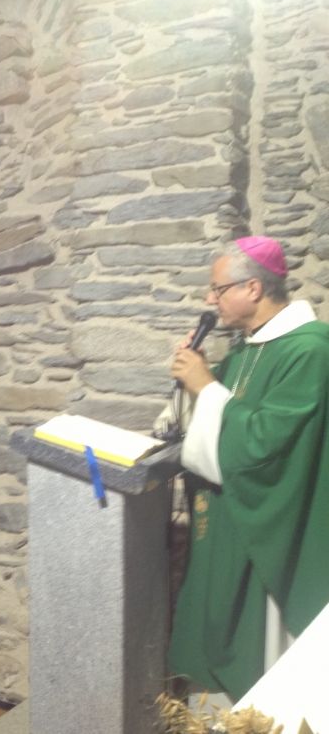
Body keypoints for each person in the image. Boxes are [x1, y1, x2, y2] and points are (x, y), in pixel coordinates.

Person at [168, 236, 329, 699]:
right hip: (229, 522)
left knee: (266, 666)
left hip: (271, 529)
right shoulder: (245, 349)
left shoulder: (310, 350)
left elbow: (266, 445)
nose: (208, 299)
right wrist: (194, 378)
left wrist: (207, 388)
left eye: (217, 289)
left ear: (253, 288)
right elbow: (216, 426)